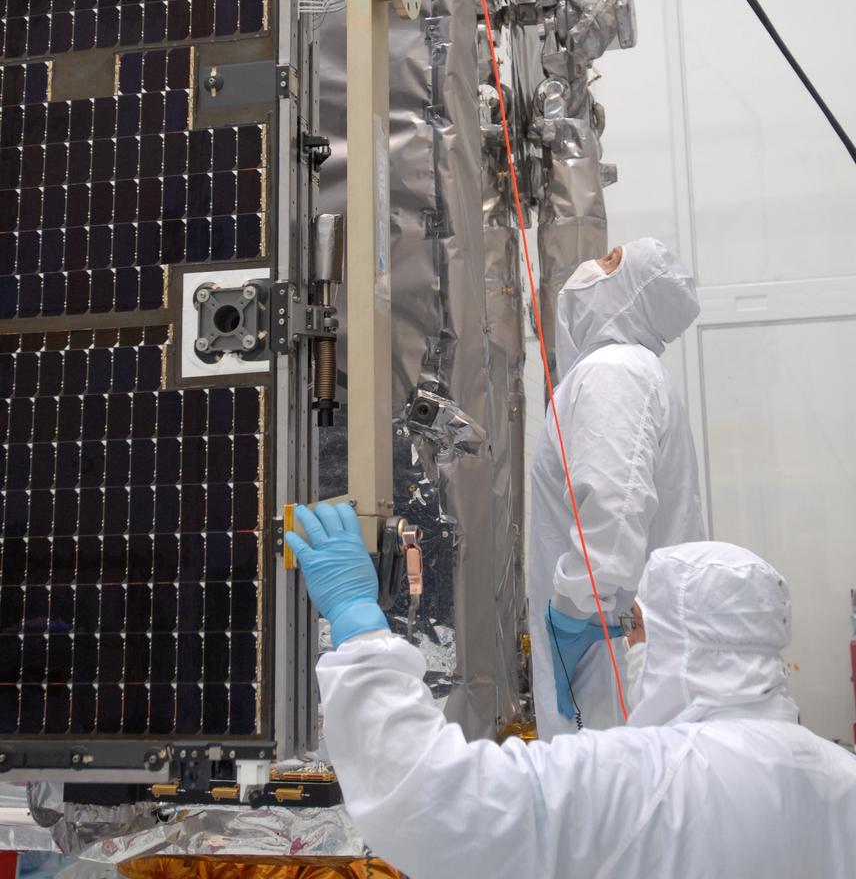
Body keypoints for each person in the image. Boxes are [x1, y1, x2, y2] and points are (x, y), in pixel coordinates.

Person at [286, 507, 856, 879]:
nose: (627, 643)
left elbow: (433, 800)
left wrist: (360, 632)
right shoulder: (841, 777)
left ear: (680, 641)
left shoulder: (643, 776)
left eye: (634, 627)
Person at [530, 236, 706, 738]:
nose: (591, 268)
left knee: (606, 806)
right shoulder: (622, 372)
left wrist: (571, 615)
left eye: (610, 263)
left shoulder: (614, 372)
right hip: (612, 646)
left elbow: (613, 506)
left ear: (633, 294)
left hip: (603, 652)